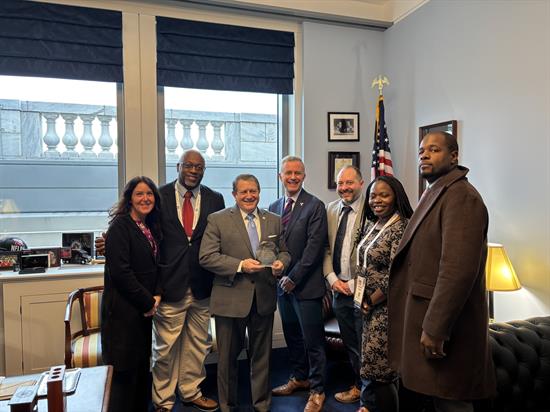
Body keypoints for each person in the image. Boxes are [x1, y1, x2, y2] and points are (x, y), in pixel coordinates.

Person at [96, 150, 224, 412]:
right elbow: (143, 233)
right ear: (178, 166)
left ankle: (191, 391)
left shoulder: (215, 198)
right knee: (165, 348)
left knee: (198, 344)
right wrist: (109, 241)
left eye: (199, 166)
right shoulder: (159, 196)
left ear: (204, 169)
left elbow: (218, 237)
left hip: (202, 284)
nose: (193, 170)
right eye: (188, 165)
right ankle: (163, 400)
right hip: (168, 284)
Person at [388, 131, 496, 412]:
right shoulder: (436, 191)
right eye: (421, 150)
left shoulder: (462, 197)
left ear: (454, 156)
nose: (424, 154)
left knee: (451, 401)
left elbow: (457, 271)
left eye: (433, 150)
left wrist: (435, 328)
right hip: (422, 317)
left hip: (447, 329)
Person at [199, 174, 291, 412]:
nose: (249, 196)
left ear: (259, 192)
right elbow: (206, 256)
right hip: (230, 299)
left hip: (263, 298)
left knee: (262, 358)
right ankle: (227, 405)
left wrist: (281, 263)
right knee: (227, 360)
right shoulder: (218, 219)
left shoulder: (274, 220)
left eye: (253, 191)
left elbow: (285, 252)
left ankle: (261, 404)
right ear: (234, 195)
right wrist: (240, 266)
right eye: (243, 192)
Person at [269, 156, 328, 412]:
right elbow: (271, 246)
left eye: (297, 173)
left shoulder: (315, 206)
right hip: (282, 287)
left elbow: (314, 249)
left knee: (312, 341)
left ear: (304, 176)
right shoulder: (273, 206)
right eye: (288, 173)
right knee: (293, 337)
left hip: (306, 287)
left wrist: (293, 278)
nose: (292, 177)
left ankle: (318, 390)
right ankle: (299, 377)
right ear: (280, 176)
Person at [101, 176, 162, 412]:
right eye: (139, 194)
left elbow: (153, 266)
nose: (145, 198)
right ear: (129, 199)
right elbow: (121, 272)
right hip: (122, 315)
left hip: (141, 313)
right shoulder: (120, 226)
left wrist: (156, 295)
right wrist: (147, 301)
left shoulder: (148, 227)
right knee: (123, 376)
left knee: (139, 371)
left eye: (149, 194)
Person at [355, 176, 413, 412]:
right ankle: (369, 406)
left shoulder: (402, 227)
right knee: (370, 365)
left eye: (383, 195)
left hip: (387, 310)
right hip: (367, 307)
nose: (376, 200)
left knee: (382, 371)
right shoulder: (372, 224)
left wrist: (372, 299)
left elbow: (398, 274)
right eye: (372, 195)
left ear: (396, 197)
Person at [323, 165, 368, 405]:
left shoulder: (371, 211)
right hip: (338, 290)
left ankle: (370, 392)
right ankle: (358, 385)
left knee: (365, 342)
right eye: (340, 184)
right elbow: (326, 248)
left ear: (361, 183)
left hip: (363, 290)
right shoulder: (331, 210)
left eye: (349, 183)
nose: (344, 188)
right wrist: (332, 279)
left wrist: (353, 283)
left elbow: (374, 254)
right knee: (351, 342)